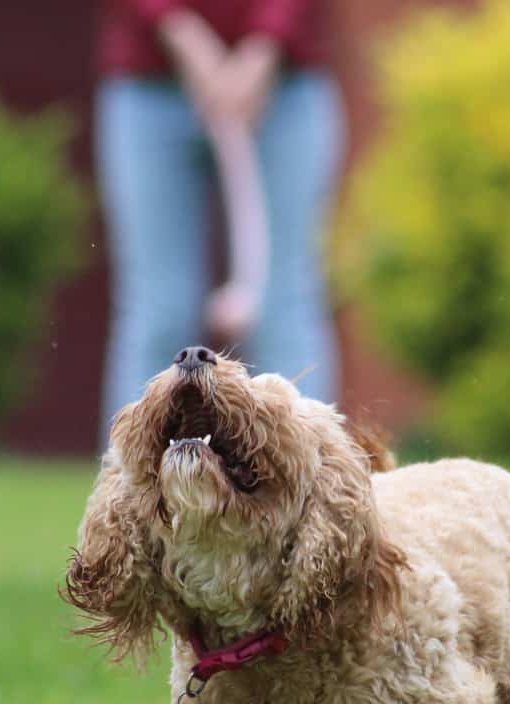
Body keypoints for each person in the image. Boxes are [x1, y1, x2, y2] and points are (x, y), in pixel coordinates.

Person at [96, 1, 343, 439]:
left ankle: (310, 485)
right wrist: (181, 31)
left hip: (284, 83)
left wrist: (264, 44)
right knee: (160, 312)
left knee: (283, 305)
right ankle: (131, 493)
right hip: (150, 84)